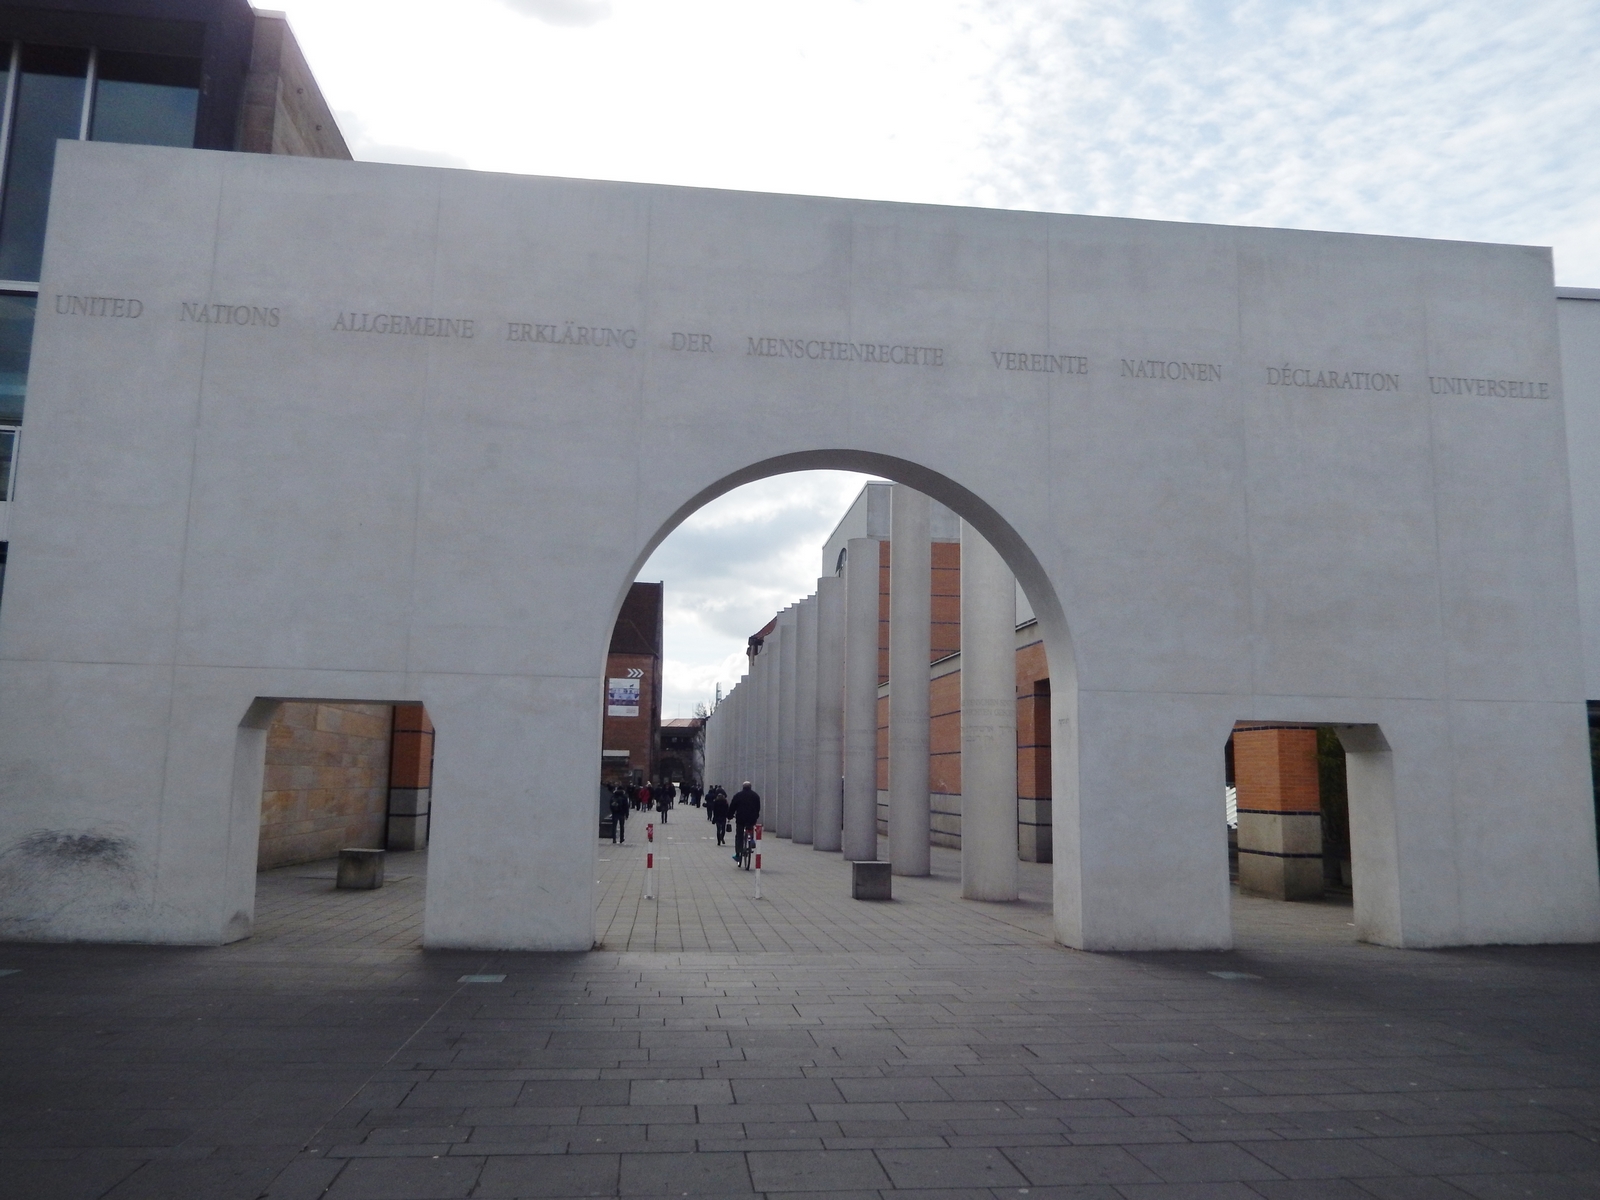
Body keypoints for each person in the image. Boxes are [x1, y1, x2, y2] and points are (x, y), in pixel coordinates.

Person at [729, 780, 761, 860]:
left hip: (741, 818)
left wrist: (729, 816)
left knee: (739, 835)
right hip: (751, 818)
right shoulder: (755, 796)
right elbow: (758, 807)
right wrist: (756, 816)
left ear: (743, 787)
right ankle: (751, 840)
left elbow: (732, 807)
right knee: (750, 828)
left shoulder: (738, 795)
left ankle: (738, 854)